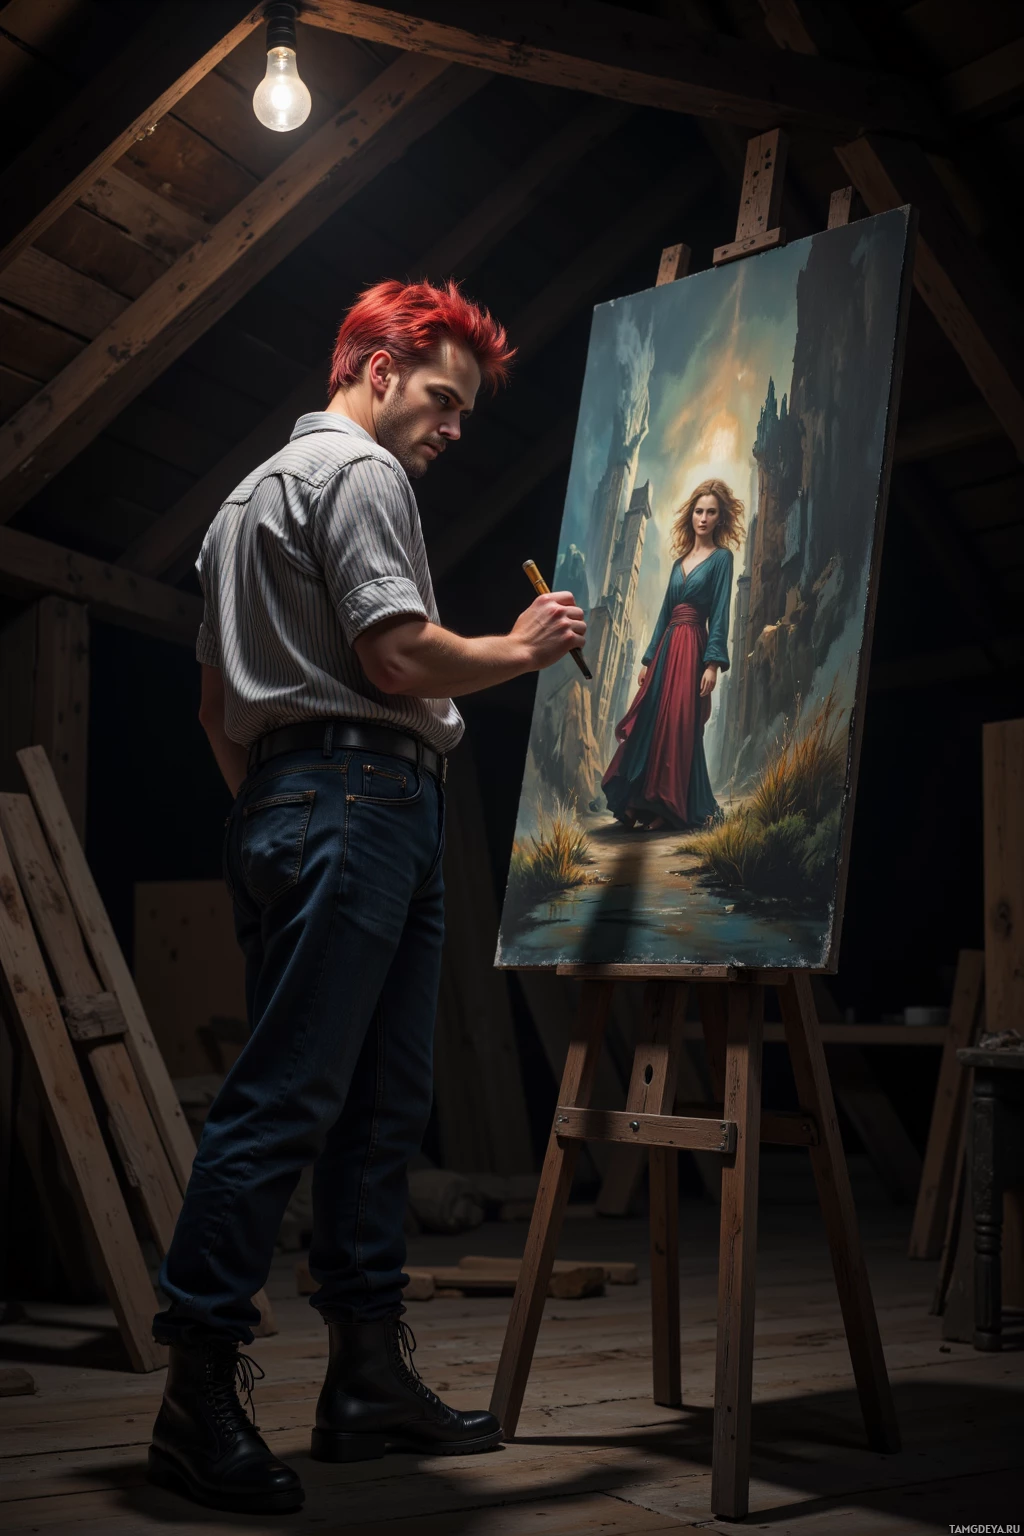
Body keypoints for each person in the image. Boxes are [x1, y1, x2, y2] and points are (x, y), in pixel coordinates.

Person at [147, 280, 586, 1515]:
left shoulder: (240, 505)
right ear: (375, 369)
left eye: (464, 413)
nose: (451, 429)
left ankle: (361, 1385)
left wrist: (277, 802)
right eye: (442, 399)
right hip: (360, 801)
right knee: (292, 1102)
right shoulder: (363, 475)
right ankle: (194, 1399)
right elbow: (396, 655)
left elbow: (212, 714)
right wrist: (521, 649)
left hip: (288, 803)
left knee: (372, 1110)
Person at [602, 478, 743, 832]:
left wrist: (712, 664)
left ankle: (668, 807)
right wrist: (649, 661)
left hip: (694, 647)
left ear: (720, 518)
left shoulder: (722, 559)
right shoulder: (679, 562)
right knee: (650, 719)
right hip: (667, 648)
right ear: (691, 515)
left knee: (679, 724)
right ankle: (636, 800)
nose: (704, 518)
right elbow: (665, 614)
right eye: (698, 511)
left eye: (711, 512)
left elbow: (721, 613)